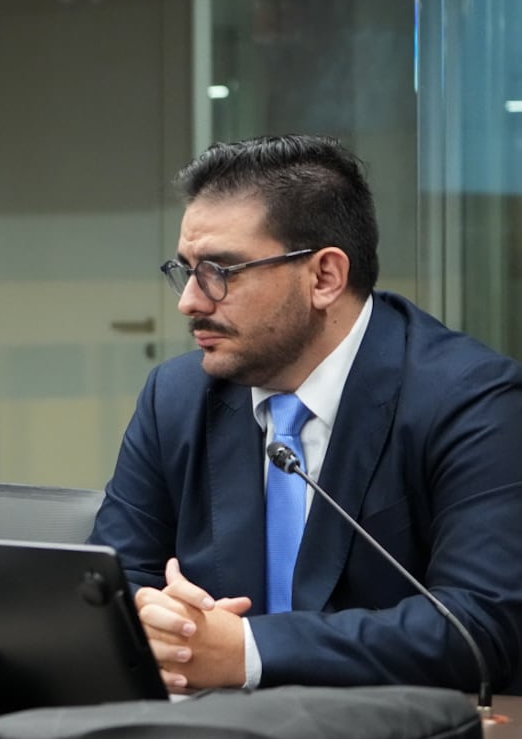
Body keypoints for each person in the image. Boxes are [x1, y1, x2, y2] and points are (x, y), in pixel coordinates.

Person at [92, 133, 522, 695]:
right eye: (186, 269)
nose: (190, 301)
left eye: (220, 271)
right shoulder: (176, 397)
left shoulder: (471, 401)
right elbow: (108, 588)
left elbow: (479, 628)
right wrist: (155, 623)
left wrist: (249, 652)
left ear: (324, 277)